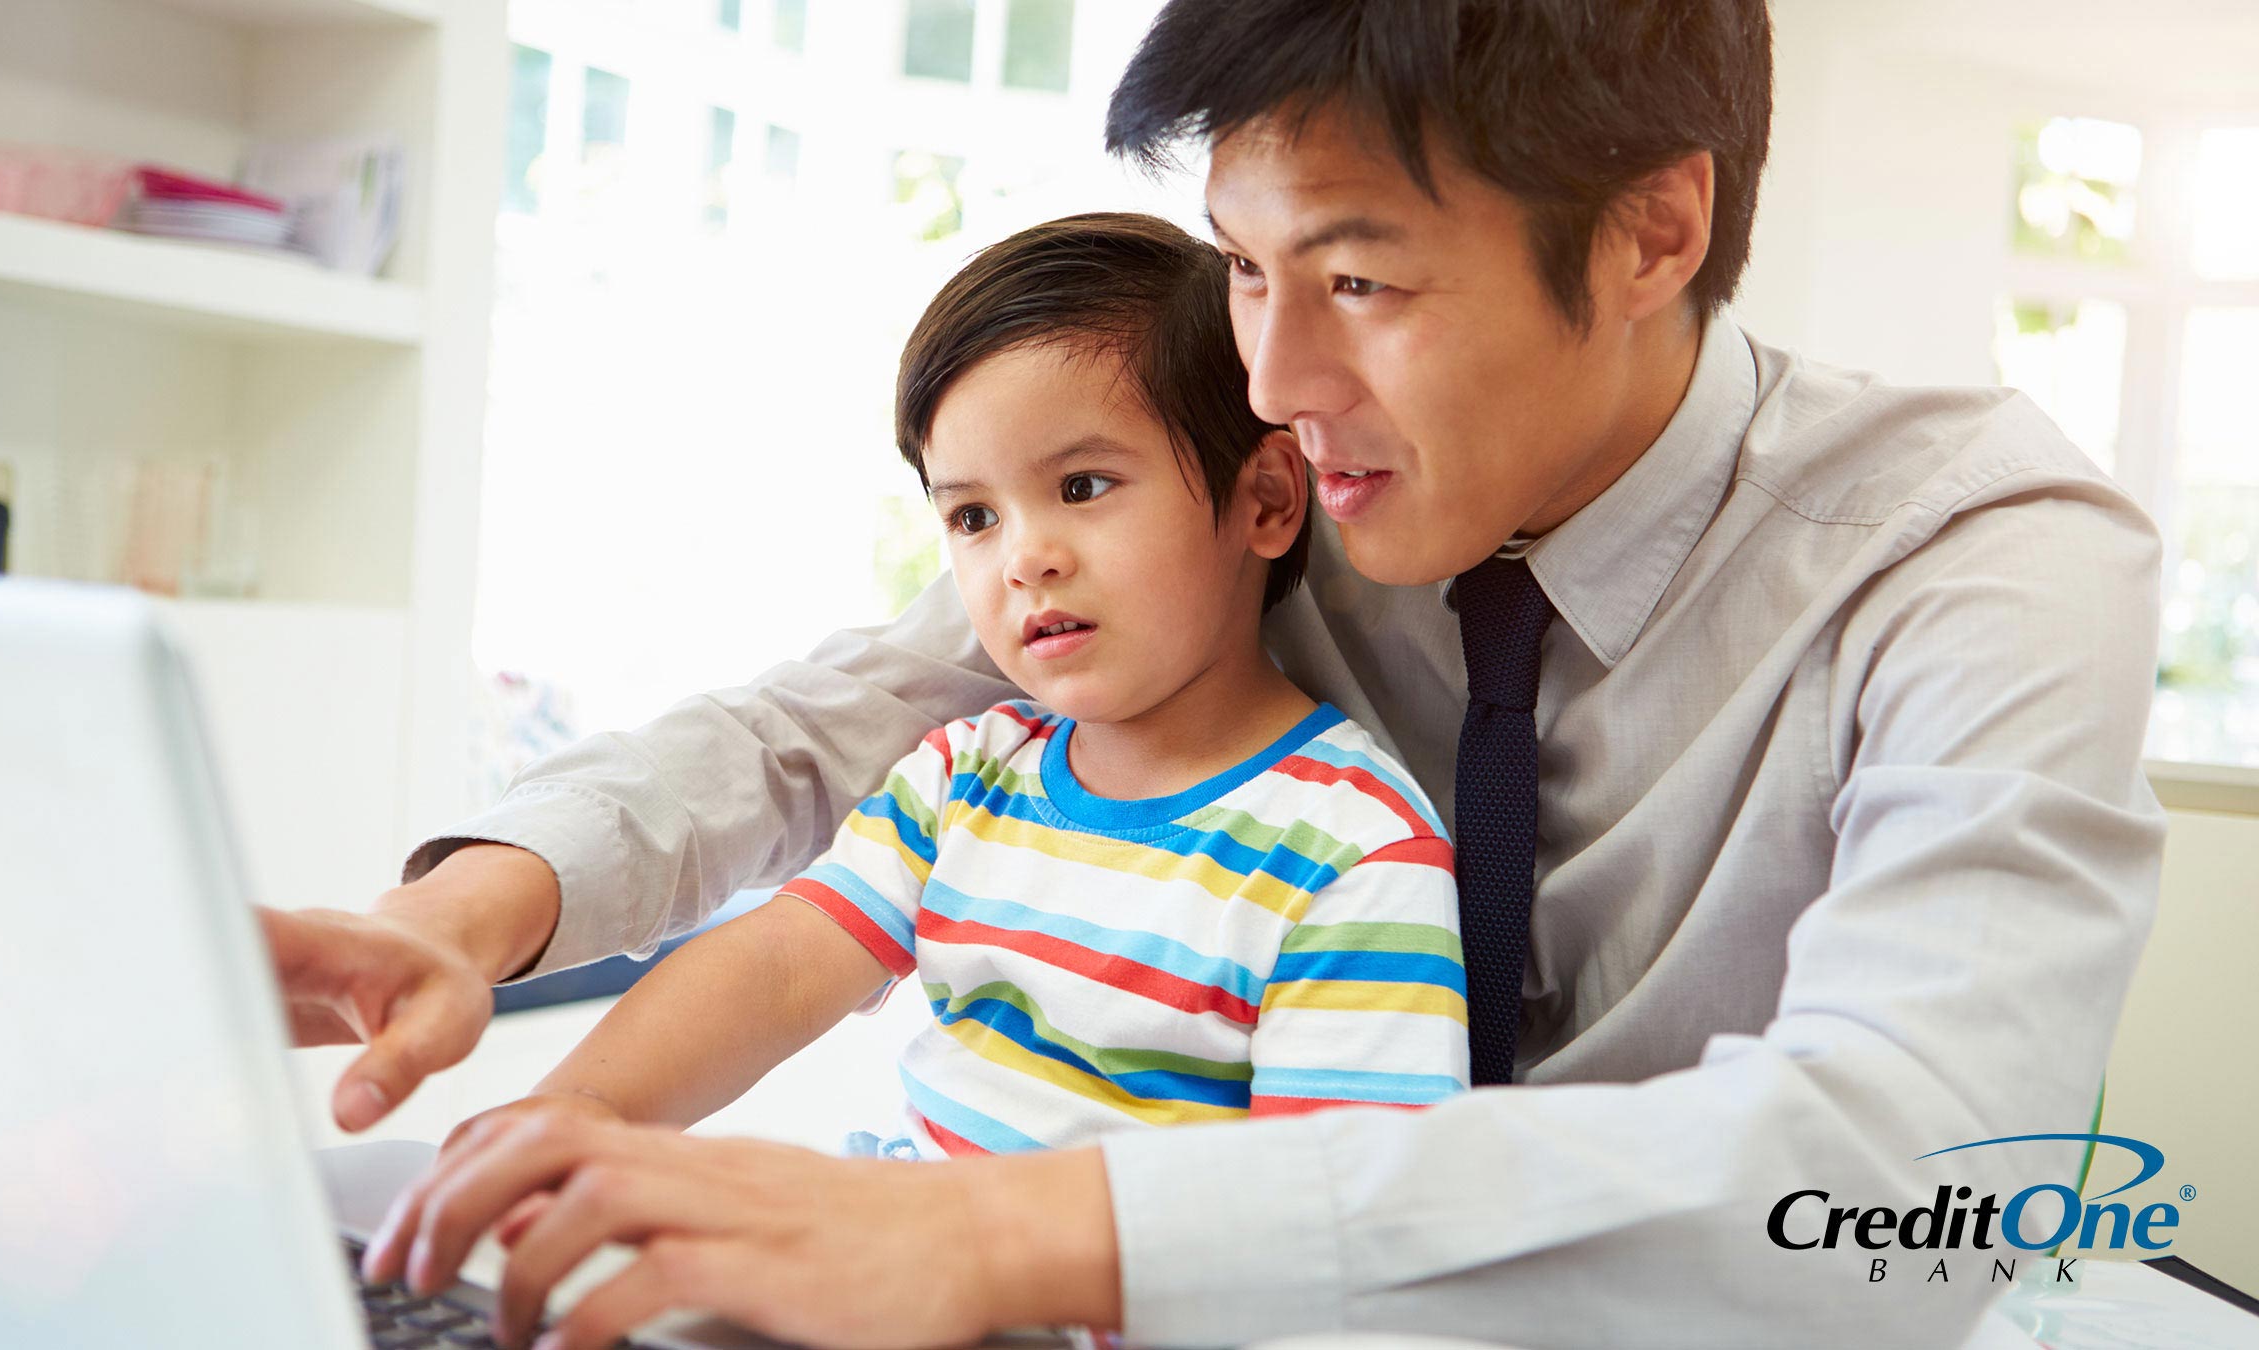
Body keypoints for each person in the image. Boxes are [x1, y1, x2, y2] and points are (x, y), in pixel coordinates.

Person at [271, 2, 2167, 1346]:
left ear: (1658, 229)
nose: (1272, 380)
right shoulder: (1272, 491)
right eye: (1245, 272)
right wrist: (479, 908)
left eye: (1360, 281)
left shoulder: (1978, 555)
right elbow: (828, 726)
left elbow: (1920, 1177)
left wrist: (1013, 1230)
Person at [395, 214, 1467, 1203]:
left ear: (1267, 499)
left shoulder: (1356, 852)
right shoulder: (965, 775)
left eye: (1084, 487)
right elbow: (776, 966)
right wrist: (579, 1112)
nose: (1026, 559)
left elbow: (1340, 1228)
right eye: (972, 516)